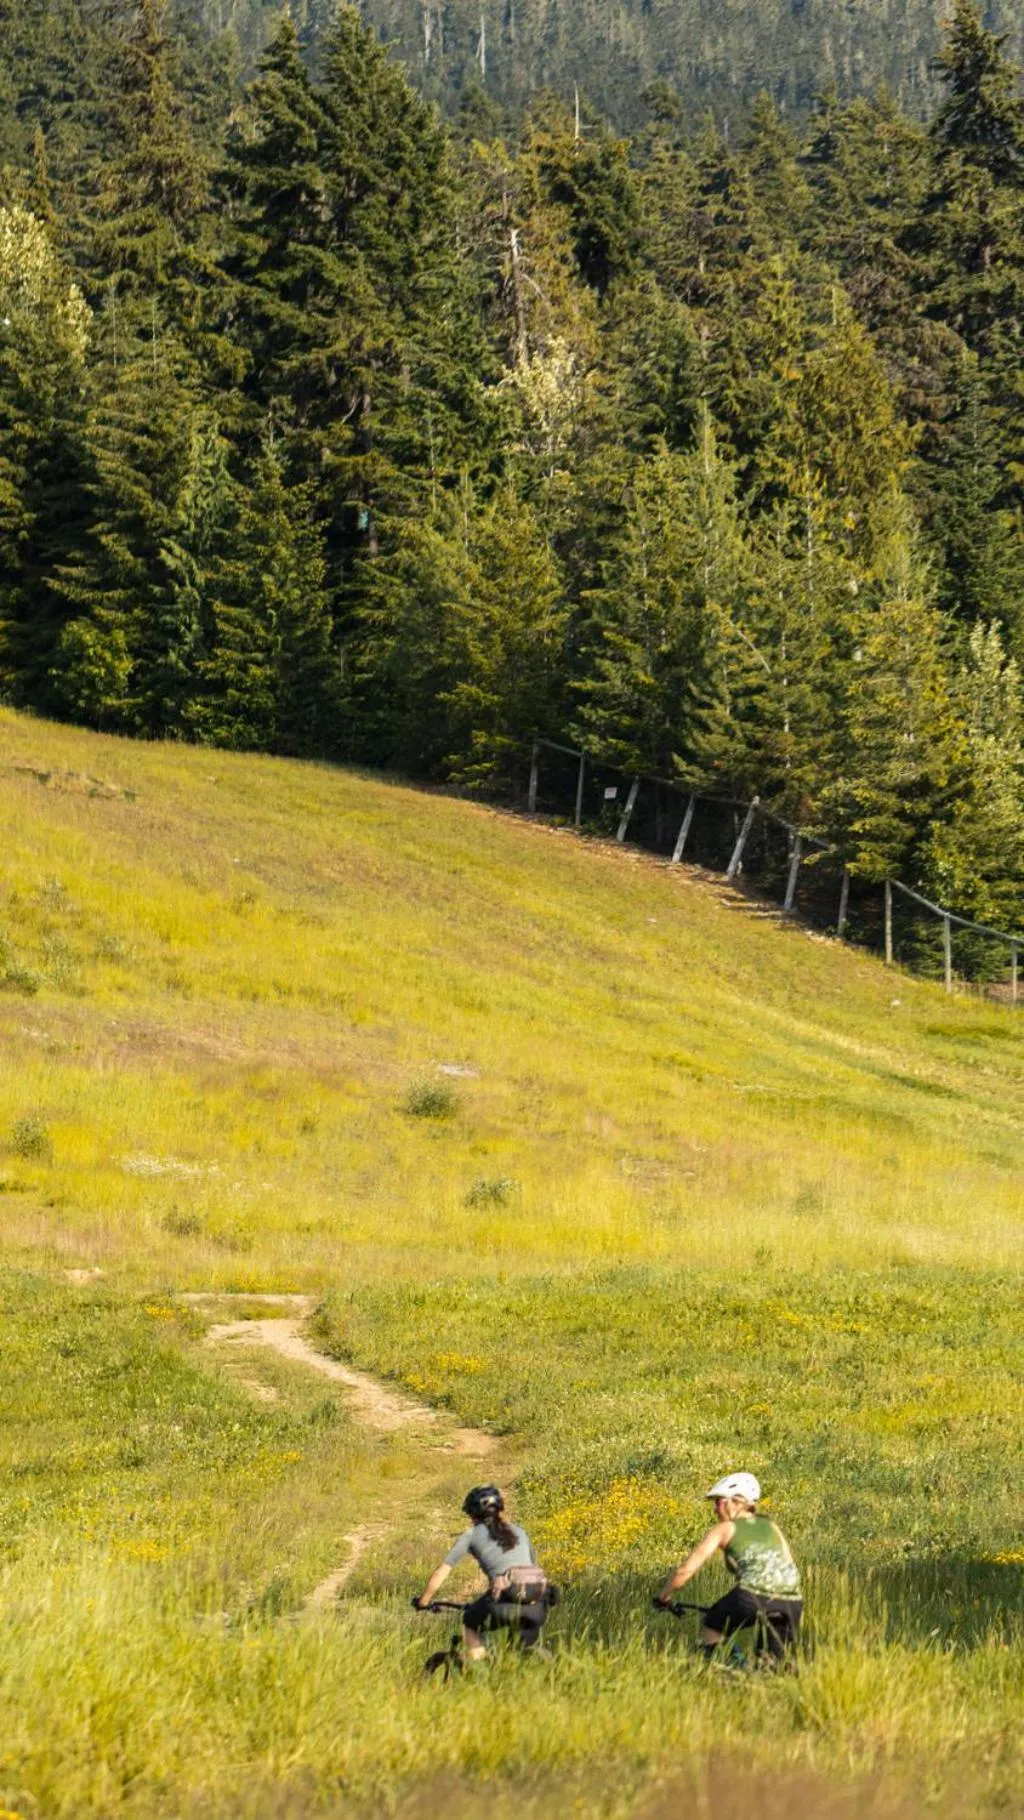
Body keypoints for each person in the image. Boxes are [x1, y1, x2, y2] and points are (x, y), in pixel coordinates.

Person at [655, 1471, 802, 1664]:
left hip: (752, 1595)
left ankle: (739, 1671)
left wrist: (664, 1597)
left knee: (712, 1625)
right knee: (772, 1665)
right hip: (792, 1601)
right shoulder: (772, 1526)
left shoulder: (725, 1529)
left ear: (737, 1502)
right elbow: (790, 1565)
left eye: (718, 1502)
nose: (715, 1509)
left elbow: (685, 1571)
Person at [413, 1484, 551, 1663]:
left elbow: (442, 1572)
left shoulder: (471, 1535)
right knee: (518, 1657)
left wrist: (423, 1602)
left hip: (502, 1605)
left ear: (472, 1514)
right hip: (537, 1605)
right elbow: (532, 1566)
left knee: (469, 1621)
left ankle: (478, 1665)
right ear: (500, 1508)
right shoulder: (520, 1531)